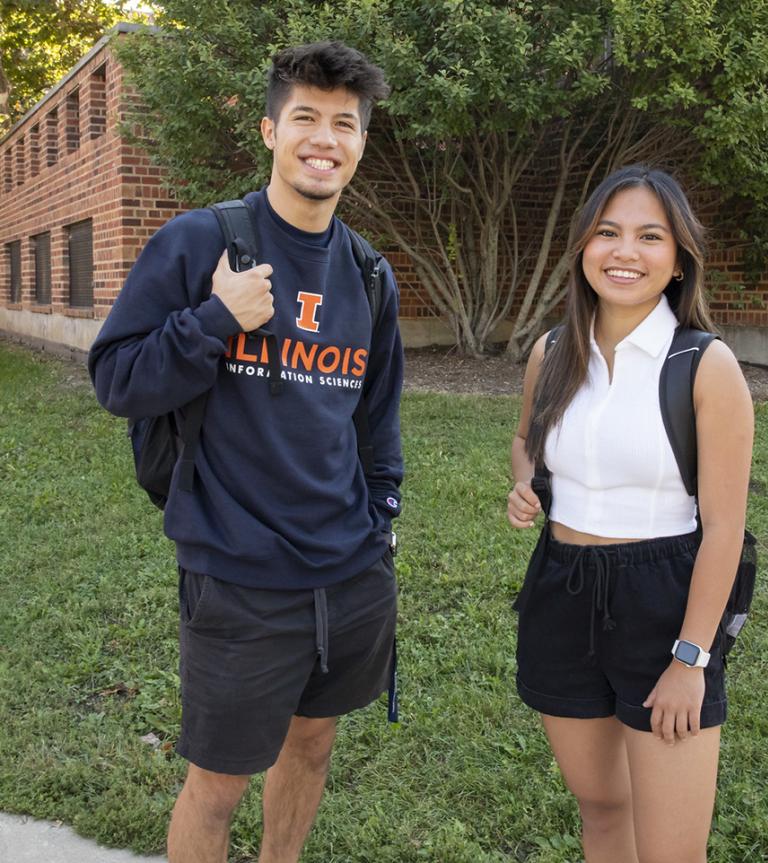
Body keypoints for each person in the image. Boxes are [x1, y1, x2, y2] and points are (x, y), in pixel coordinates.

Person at [88, 42, 402, 863]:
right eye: (306, 118)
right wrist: (214, 319)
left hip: (349, 572)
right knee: (218, 783)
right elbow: (116, 377)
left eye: (344, 123)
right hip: (238, 579)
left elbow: (378, 418)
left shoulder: (370, 276)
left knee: (313, 746)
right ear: (270, 130)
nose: (324, 138)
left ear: (361, 142)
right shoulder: (202, 244)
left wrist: (384, 513)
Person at [507, 165, 753, 863]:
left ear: (678, 261)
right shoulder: (552, 352)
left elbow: (725, 529)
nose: (624, 251)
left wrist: (690, 659)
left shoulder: (705, 366)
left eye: (651, 236)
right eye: (608, 232)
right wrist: (524, 483)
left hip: (664, 603)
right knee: (603, 808)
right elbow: (526, 441)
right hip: (562, 590)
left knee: (673, 851)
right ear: (584, 245)